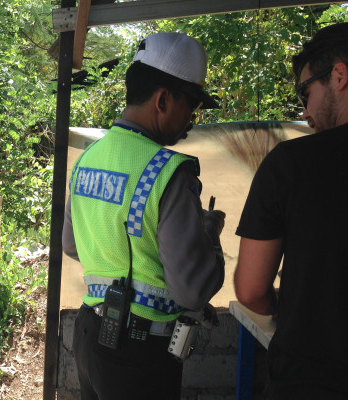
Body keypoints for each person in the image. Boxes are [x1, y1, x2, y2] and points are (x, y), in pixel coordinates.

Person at [62, 32, 226, 400]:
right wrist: (209, 235)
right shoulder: (170, 172)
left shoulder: (88, 158)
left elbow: (72, 245)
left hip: (89, 338)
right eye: (191, 105)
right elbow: (192, 290)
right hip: (139, 356)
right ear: (164, 99)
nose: (192, 119)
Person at [234, 23, 348, 400]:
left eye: (306, 92)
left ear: (339, 75)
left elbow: (251, 290)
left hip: (310, 381)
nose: (305, 111)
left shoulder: (291, 164)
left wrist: (281, 310)